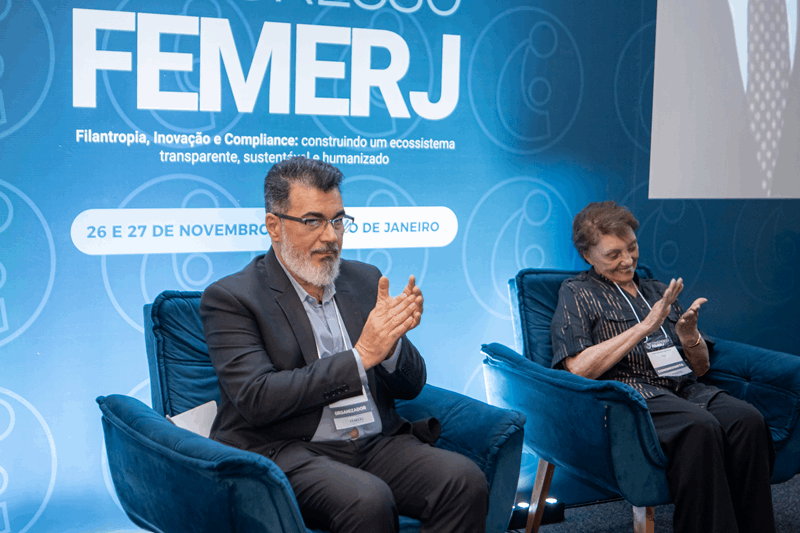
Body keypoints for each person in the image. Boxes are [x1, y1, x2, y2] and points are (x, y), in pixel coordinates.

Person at [199, 156, 488, 533]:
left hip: (373, 440)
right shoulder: (231, 298)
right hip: (289, 448)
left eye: (338, 220)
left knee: (464, 481)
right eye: (313, 221)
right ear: (274, 226)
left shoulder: (366, 280)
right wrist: (361, 356)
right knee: (367, 501)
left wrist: (391, 345)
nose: (331, 236)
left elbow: (412, 384)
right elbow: (258, 398)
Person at [550, 201, 775, 533]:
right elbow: (577, 368)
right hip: (632, 398)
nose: (627, 260)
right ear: (588, 256)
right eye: (613, 254)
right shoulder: (576, 293)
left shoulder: (656, 290)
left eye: (632, 247)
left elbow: (700, 368)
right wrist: (644, 326)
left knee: (748, 420)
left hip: (684, 389)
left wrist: (689, 336)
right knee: (698, 427)